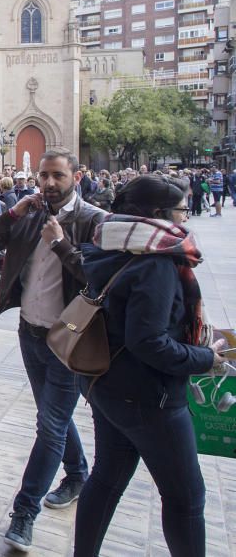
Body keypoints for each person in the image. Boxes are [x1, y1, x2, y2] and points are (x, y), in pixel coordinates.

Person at [75, 175, 225, 557]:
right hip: (148, 396)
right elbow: (149, 341)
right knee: (186, 498)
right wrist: (206, 358)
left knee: (107, 478)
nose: (185, 218)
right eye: (180, 210)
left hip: (107, 384)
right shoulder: (155, 262)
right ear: (157, 215)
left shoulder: (109, 244)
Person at [0, 150, 106, 552]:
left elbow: (98, 279)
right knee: (54, 417)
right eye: (43, 176)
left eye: (57, 176)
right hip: (29, 333)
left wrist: (63, 245)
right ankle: (78, 472)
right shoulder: (29, 213)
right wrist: (13, 213)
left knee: (50, 424)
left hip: (69, 339)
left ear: (77, 176)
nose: (48, 183)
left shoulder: (94, 221)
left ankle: (24, 512)